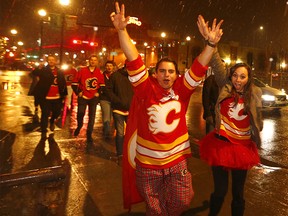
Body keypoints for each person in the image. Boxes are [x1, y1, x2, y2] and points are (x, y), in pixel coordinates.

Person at [110, 3, 223, 215]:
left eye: (171, 71)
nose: (167, 75)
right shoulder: (145, 88)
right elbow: (133, 58)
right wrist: (121, 30)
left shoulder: (183, 89)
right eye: (162, 71)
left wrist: (210, 43)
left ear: (176, 74)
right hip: (147, 164)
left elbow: (199, 66)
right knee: (155, 210)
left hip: (176, 163)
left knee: (181, 201)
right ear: (155, 74)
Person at [197, 16, 263, 216]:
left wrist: (256, 138)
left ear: (248, 78)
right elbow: (216, 64)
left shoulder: (255, 93)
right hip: (220, 145)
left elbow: (258, 120)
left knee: (238, 193)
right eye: (235, 75)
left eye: (242, 76)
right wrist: (212, 43)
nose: (238, 80)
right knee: (220, 191)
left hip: (242, 148)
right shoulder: (224, 86)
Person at [31, 55, 67, 139]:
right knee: (45, 113)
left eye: (53, 60)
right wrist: (38, 67)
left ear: (56, 61)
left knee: (57, 112)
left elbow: (63, 83)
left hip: (57, 97)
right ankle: (43, 131)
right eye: (49, 60)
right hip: (45, 97)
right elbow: (34, 73)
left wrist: (64, 94)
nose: (51, 61)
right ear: (47, 61)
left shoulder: (59, 71)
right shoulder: (44, 69)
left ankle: (52, 121)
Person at [71, 55, 104, 146]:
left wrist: (99, 92)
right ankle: (79, 125)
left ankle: (89, 134)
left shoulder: (99, 72)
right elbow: (74, 83)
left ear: (97, 62)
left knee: (92, 116)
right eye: (91, 60)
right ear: (89, 61)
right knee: (80, 113)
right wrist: (78, 92)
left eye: (95, 60)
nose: (93, 61)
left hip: (93, 98)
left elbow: (102, 85)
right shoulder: (82, 71)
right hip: (83, 97)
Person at [106, 65, 134, 162]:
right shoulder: (115, 76)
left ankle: (129, 152)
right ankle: (120, 154)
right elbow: (109, 90)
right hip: (118, 109)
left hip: (131, 109)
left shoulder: (134, 77)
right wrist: (116, 101)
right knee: (120, 133)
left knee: (131, 133)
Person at [99, 60, 115, 139]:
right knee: (106, 116)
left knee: (111, 116)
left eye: (110, 66)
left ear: (113, 67)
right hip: (104, 99)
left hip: (113, 99)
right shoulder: (101, 75)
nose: (109, 67)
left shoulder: (116, 76)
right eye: (107, 66)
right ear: (105, 67)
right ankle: (107, 133)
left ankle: (106, 129)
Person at [202, 69, 219, 134]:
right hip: (212, 113)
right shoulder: (210, 80)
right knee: (210, 135)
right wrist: (208, 114)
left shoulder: (225, 81)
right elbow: (205, 98)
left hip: (221, 115)